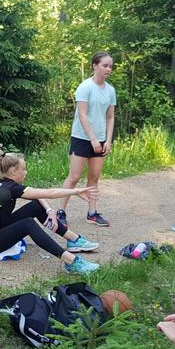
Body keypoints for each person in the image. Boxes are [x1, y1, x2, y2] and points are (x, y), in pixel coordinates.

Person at [0, 150, 102, 275]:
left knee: (35, 205)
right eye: (24, 169)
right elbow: (50, 193)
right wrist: (76, 191)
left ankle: (73, 240)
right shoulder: (11, 189)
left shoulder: (3, 183)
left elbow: (37, 195)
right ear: (13, 171)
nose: (26, 172)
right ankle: (71, 261)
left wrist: (49, 211)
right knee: (27, 224)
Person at [58, 51, 117, 227]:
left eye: (110, 66)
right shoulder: (85, 87)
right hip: (82, 137)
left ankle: (92, 213)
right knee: (74, 177)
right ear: (94, 66)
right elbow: (82, 115)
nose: (108, 69)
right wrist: (92, 139)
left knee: (94, 177)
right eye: (105, 65)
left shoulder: (111, 90)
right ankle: (60, 212)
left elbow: (110, 117)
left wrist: (108, 140)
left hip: (101, 139)